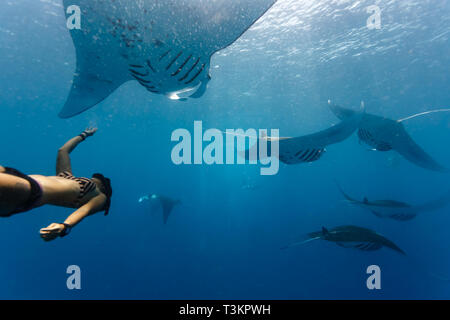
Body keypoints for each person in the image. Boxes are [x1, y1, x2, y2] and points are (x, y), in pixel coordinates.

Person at [0, 128, 112, 241]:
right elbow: (63, 151)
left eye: (97, 179)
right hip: (19, 178)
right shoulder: (66, 176)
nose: (92, 178)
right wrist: (84, 135)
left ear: (103, 187)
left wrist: (65, 226)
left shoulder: (100, 196)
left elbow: (84, 211)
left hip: (32, 191)